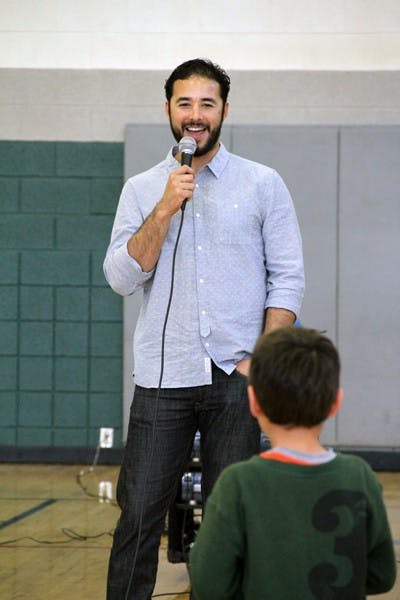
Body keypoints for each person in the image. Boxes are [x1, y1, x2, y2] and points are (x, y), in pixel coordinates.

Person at [103, 58, 305, 599]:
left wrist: (261, 361)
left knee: (232, 524)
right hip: (162, 378)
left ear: (224, 111)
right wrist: (165, 208)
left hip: (235, 380)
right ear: (168, 109)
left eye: (207, 104)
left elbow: (287, 279)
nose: (196, 115)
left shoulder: (263, 184)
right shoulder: (143, 189)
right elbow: (121, 277)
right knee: (139, 519)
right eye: (185, 103)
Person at [189, 327, 397, 599]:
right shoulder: (359, 476)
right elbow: (382, 576)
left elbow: (209, 583)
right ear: (335, 403)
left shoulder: (238, 483)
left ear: (254, 402)